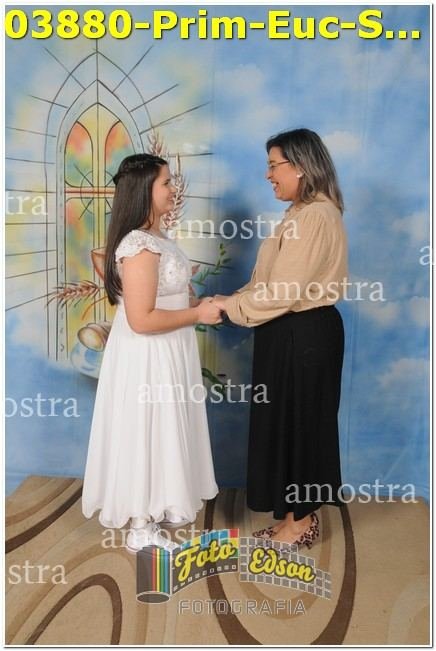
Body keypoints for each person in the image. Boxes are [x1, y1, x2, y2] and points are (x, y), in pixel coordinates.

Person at [213, 129, 348, 548]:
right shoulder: (300, 213)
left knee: (302, 426)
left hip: (302, 334)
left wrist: (229, 307)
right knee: (287, 425)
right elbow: (269, 283)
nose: (268, 174)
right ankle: (293, 515)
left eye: (274, 165)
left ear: (301, 166)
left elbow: (283, 294)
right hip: (289, 331)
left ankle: (301, 523)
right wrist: (229, 300)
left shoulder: (313, 217)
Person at [82, 153, 221, 552]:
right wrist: (197, 314)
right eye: (166, 182)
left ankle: (160, 500)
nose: (174, 188)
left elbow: (160, 296)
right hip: (149, 352)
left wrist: (193, 301)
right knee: (145, 425)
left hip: (170, 347)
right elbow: (141, 319)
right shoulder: (139, 244)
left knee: (163, 424)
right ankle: (140, 525)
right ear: (145, 190)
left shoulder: (157, 237)